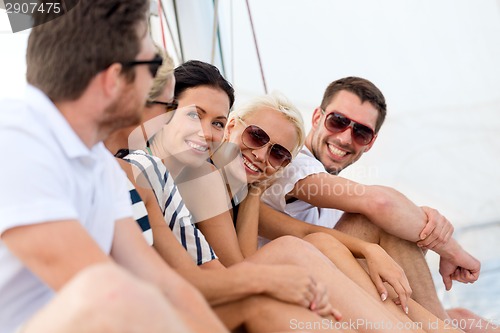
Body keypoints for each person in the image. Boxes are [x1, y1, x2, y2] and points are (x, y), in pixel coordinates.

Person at [0, 1, 227, 332]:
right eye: (152, 66)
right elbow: (108, 297)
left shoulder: (98, 164)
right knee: (109, 290)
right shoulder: (16, 139)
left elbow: (167, 286)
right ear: (113, 79)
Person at [260, 76, 481, 321]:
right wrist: (451, 250)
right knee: (376, 219)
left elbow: (387, 213)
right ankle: (442, 325)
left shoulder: (333, 188)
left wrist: (422, 218)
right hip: (289, 297)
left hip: (327, 289)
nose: (345, 138)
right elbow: (380, 204)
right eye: (338, 121)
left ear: (371, 143)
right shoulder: (287, 159)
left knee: (466, 318)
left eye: (361, 132)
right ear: (316, 118)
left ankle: (443, 323)